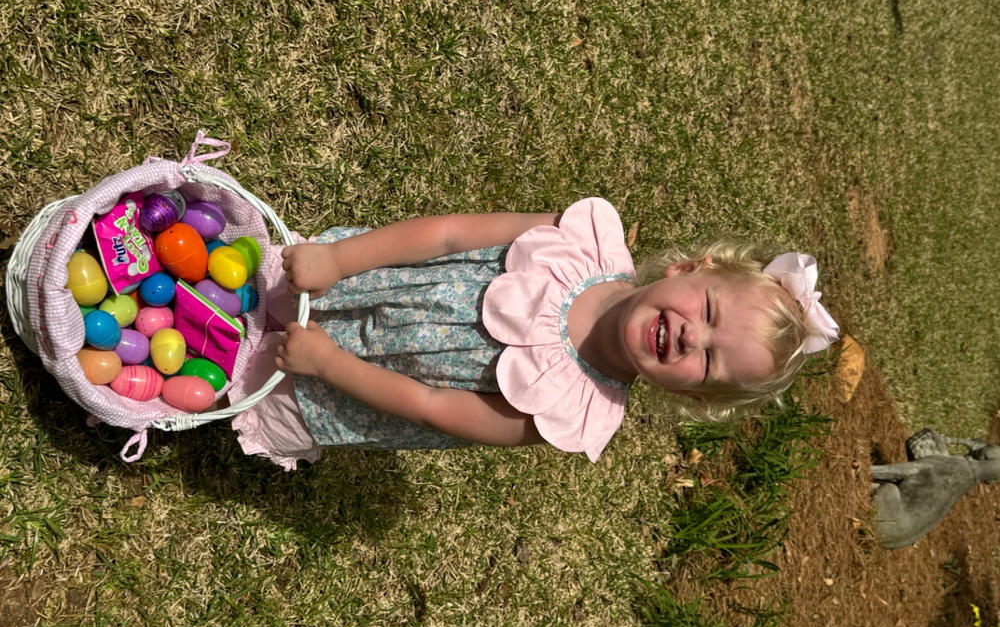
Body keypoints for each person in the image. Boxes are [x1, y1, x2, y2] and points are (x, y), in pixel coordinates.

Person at [228, 198, 838, 470]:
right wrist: (341, 261)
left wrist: (330, 365)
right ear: (687, 269)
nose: (688, 338)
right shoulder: (580, 241)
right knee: (234, 286)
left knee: (217, 377)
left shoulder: (574, 413)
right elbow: (446, 236)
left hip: (342, 384)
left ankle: (168, 393)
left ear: (692, 396)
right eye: (706, 311)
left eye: (707, 362)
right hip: (356, 284)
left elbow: (433, 407)